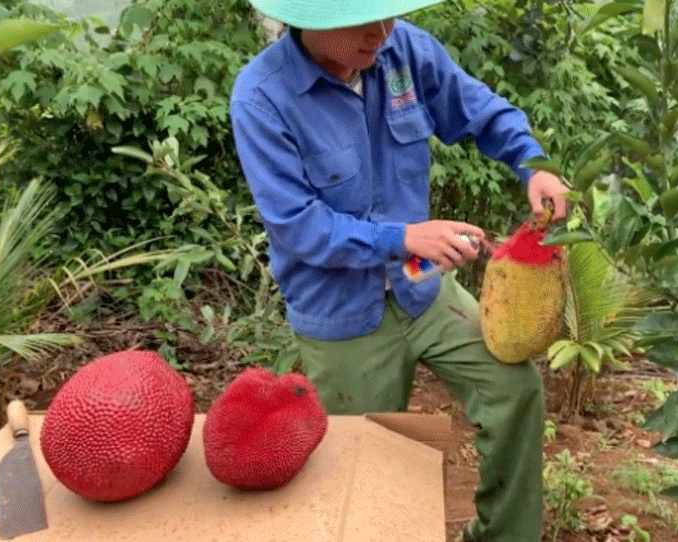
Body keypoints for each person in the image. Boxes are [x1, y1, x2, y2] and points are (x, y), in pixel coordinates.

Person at [229, 1, 570, 540]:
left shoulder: (401, 51)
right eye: (364, 20)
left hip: (422, 285)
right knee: (357, 461)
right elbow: (298, 226)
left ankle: (502, 535)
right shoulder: (262, 97)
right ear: (311, 20)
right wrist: (405, 236)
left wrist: (533, 165)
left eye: (387, 14)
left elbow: (476, 110)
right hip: (339, 310)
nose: (382, 31)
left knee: (514, 389)